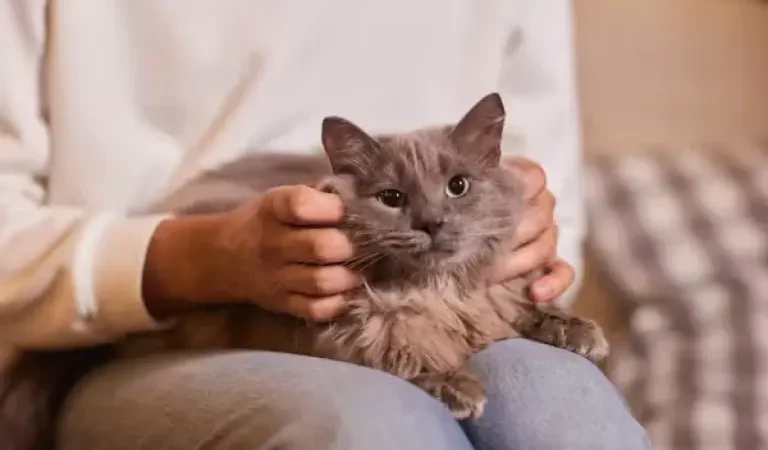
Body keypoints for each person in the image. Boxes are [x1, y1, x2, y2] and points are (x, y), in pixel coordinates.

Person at [0, 1, 650, 449]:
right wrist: (203, 257)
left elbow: (545, 186)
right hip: (145, 338)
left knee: (558, 400)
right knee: (372, 423)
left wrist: (532, 243)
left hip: (454, 305)